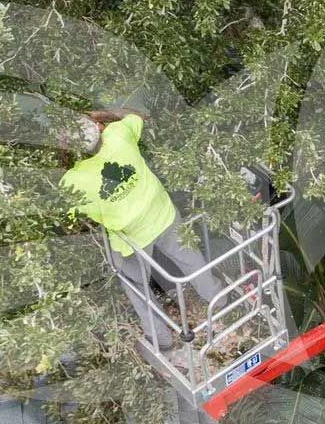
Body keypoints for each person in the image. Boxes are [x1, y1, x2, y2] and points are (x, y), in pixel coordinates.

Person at [61, 109, 222, 349]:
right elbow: (138, 115)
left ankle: (162, 339)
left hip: (131, 241)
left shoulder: (73, 181)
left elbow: (70, 220)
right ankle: (219, 302)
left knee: (139, 289)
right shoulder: (118, 134)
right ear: (99, 129)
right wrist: (100, 114)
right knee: (192, 260)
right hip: (163, 216)